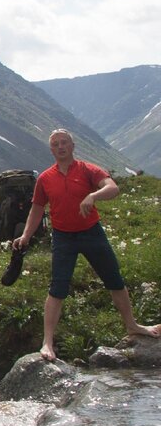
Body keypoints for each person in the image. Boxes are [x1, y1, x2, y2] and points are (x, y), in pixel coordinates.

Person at [12, 128, 160, 361]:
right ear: (51, 150)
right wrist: (26, 236)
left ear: (72, 146)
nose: (60, 147)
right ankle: (47, 343)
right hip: (63, 237)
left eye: (64, 143)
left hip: (92, 233)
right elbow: (38, 208)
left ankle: (132, 325)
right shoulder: (45, 178)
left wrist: (93, 196)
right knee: (57, 287)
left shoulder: (87, 169)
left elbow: (112, 188)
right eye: (55, 144)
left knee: (114, 279)